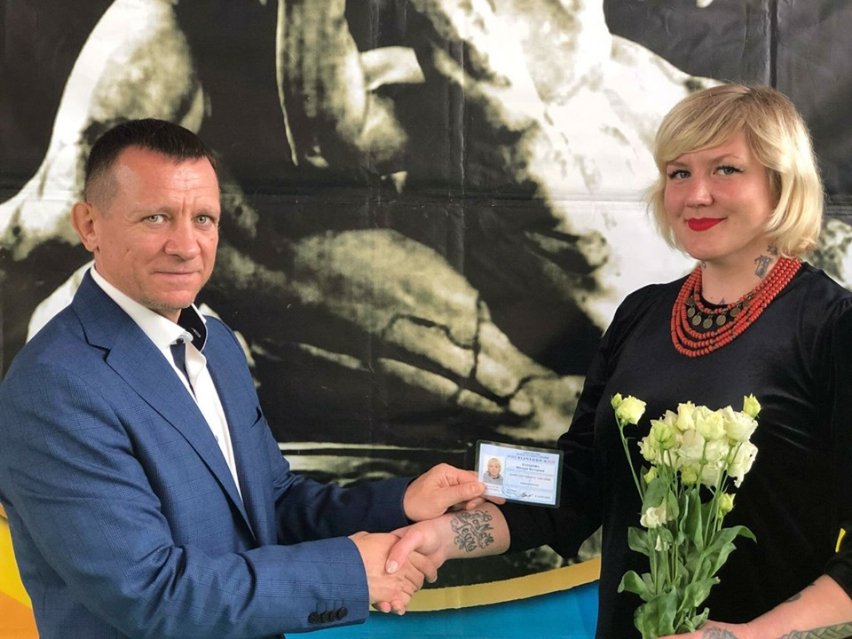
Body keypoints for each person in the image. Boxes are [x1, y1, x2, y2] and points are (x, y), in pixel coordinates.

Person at [386, 84, 852, 638]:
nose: (696, 195)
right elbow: (579, 483)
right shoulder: (641, 314)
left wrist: (751, 635)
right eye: (679, 173)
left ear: (781, 182)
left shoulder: (832, 327)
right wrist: (446, 536)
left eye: (726, 169)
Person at [0, 118, 489, 639]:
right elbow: (150, 593)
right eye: (156, 218)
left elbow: (269, 505)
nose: (186, 245)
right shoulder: (55, 386)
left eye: (203, 219)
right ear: (89, 226)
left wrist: (403, 502)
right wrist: (350, 571)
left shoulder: (216, 343)